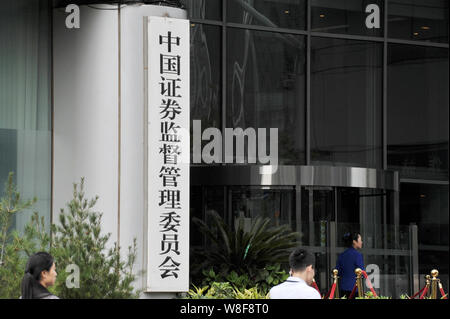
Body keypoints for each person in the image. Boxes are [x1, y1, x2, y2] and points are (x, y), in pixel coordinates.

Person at [335, 232, 364, 298]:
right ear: (354, 241)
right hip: (355, 289)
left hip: (343, 288)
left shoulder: (341, 255)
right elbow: (361, 272)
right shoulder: (357, 255)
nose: (362, 242)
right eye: (360, 240)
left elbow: (337, 272)